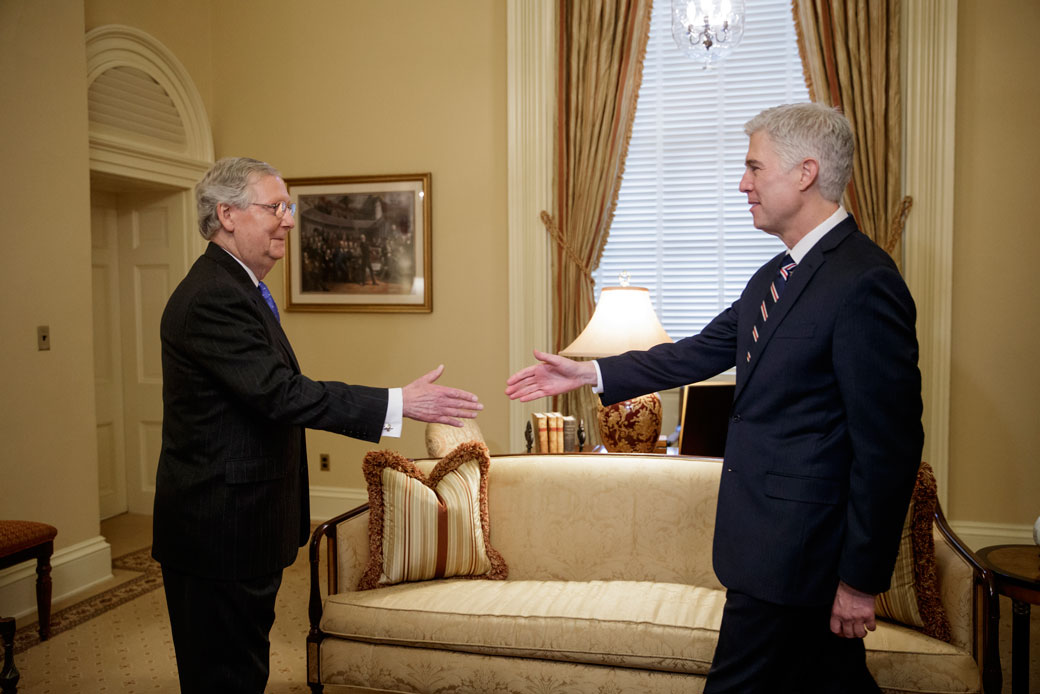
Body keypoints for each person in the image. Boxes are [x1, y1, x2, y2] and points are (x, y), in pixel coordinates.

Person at [505, 103, 923, 693]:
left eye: (754, 167)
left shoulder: (864, 280)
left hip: (799, 558)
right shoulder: (774, 278)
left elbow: (890, 447)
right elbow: (697, 352)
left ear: (805, 173)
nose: (742, 183)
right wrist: (589, 374)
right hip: (767, 550)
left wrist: (859, 580)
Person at [153, 156, 483, 693]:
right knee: (224, 677)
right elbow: (280, 395)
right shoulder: (214, 295)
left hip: (241, 526)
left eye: (290, 207)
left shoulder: (239, 287)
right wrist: (398, 402)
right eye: (276, 206)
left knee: (243, 669)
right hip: (219, 530)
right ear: (228, 215)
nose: (288, 219)